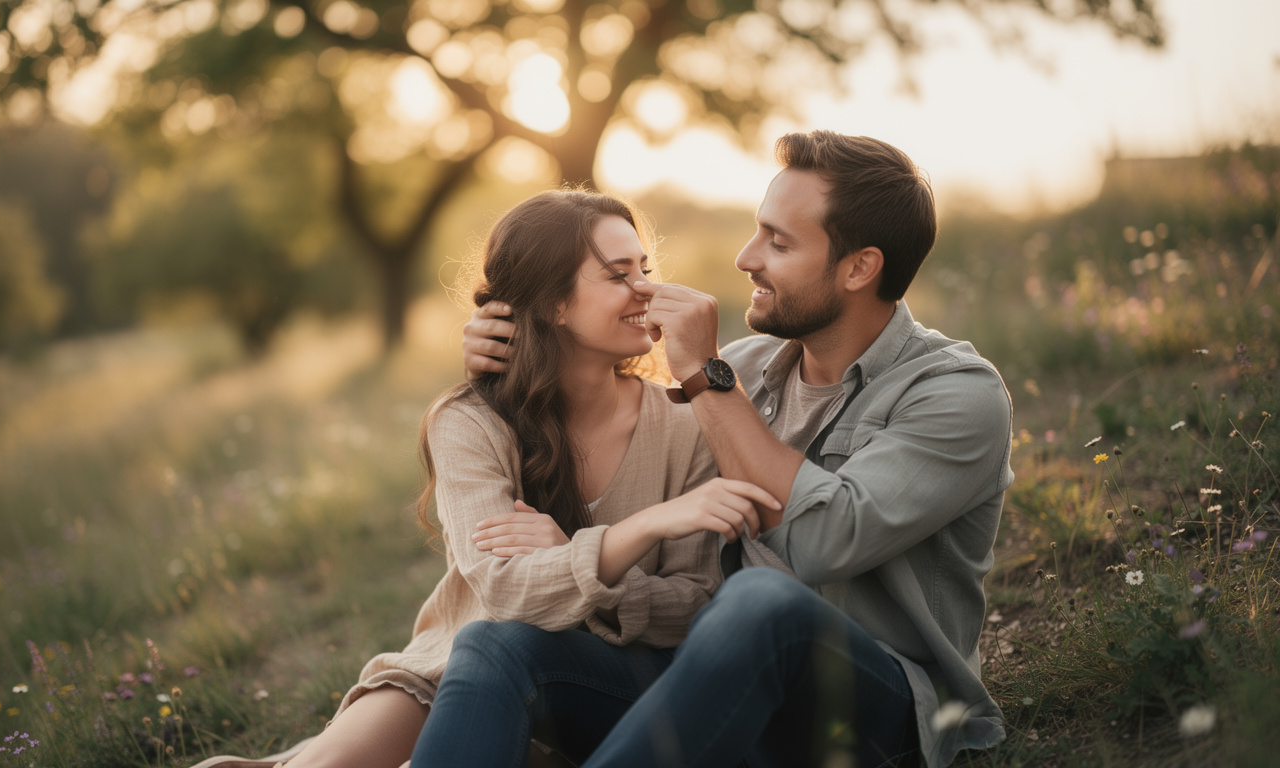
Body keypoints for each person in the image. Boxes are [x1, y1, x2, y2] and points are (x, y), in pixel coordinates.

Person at [430, 130, 1013, 768]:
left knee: (760, 602)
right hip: (712, 677)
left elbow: (823, 542)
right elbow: (599, 407)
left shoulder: (955, 394)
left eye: (778, 242)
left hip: (869, 705)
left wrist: (704, 374)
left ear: (859, 268)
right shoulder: (747, 368)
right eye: (756, 231)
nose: (744, 257)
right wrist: (513, 344)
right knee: (495, 645)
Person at [191, 190, 780, 768]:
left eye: (644, 269)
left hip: (605, 680)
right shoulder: (469, 421)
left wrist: (577, 560)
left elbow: (694, 605)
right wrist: (637, 532)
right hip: (460, 654)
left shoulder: (685, 424)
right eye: (617, 274)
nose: (647, 289)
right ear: (552, 304)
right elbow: (504, 593)